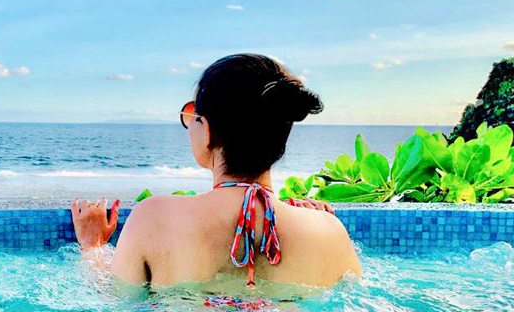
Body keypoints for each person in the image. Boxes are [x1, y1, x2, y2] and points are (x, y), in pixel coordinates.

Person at [71, 54, 362, 288]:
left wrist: (92, 246)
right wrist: (319, 222)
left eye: (193, 115)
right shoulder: (330, 232)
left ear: (207, 130)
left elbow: (113, 299)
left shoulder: (152, 217)